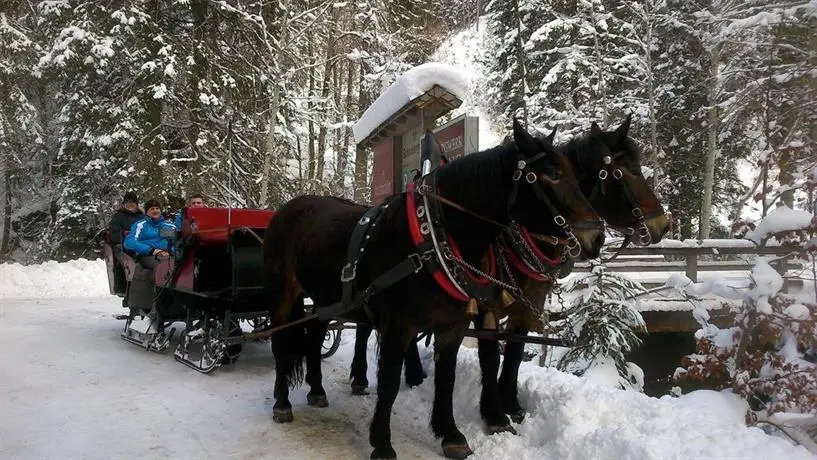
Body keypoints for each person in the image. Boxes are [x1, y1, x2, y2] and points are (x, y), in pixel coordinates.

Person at [124, 199, 177, 269]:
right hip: (148, 255)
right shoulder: (141, 225)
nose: (155, 211)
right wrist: (152, 251)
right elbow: (129, 242)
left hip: (168, 255)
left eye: (157, 208)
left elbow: (176, 242)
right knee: (162, 267)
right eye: (152, 209)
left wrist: (171, 251)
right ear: (147, 212)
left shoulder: (168, 225)